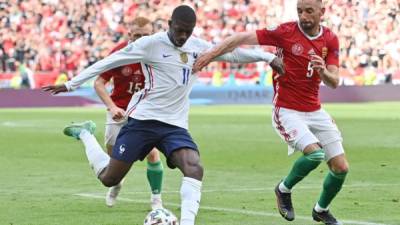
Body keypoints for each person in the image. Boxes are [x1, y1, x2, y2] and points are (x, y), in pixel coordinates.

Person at [43, 5, 283, 225]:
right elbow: (109, 61)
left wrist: (267, 57)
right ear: (169, 23)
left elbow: (232, 54)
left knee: (194, 167)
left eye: (187, 32)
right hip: (142, 121)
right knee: (109, 178)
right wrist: (72, 84)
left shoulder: (197, 46)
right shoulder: (150, 44)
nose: (182, 36)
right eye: (179, 30)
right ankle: (85, 134)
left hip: (174, 125)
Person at [193, 1, 349, 225]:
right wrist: (209, 56)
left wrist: (322, 71)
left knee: (341, 168)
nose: (303, 16)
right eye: (299, 11)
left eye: (309, 11)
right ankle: (283, 190)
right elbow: (240, 39)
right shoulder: (285, 32)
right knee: (315, 155)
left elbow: (334, 81)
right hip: (287, 110)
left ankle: (321, 210)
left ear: (322, 12)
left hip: (315, 109)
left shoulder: (331, 39)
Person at [95, 17, 164, 208]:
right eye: (137, 36)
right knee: (114, 156)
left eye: (146, 35)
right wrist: (112, 106)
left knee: (152, 152)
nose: (142, 39)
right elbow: (99, 83)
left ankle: (156, 199)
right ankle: (117, 183)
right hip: (118, 110)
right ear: (129, 35)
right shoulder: (119, 53)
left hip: (144, 112)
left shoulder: (160, 53)